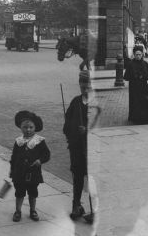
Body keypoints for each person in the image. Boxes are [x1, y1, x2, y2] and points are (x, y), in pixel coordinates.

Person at [10, 110, 51, 222]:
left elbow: (47, 154)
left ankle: (33, 210)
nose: (28, 130)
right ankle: (18, 211)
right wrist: (12, 171)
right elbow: (13, 157)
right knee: (19, 192)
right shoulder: (18, 141)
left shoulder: (39, 141)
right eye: (25, 127)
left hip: (33, 173)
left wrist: (40, 160)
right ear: (20, 127)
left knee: (33, 192)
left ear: (35, 127)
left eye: (31, 127)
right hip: (19, 173)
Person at [64, 71, 92, 220]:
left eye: (87, 83)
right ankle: (76, 206)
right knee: (78, 177)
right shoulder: (75, 102)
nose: (85, 86)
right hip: (76, 147)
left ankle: (94, 209)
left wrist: (87, 130)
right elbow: (67, 124)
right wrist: (71, 133)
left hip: (91, 149)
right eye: (82, 83)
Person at [124, 46, 148, 124]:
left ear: (142, 55)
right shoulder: (130, 64)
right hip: (134, 86)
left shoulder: (145, 63)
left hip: (143, 85)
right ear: (134, 54)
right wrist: (135, 77)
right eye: (136, 54)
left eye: (139, 54)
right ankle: (135, 117)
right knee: (135, 101)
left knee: (144, 101)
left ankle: (145, 117)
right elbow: (127, 76)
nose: (138, 56)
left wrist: (143, 76)